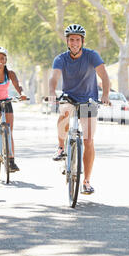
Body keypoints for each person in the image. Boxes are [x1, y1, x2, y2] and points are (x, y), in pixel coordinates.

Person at [48, 24, 111, 194]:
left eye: (77, 39)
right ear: (67, 42)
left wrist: (105, 95)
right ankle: (61, 147)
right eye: (71, 40)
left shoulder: (92, 56)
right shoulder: (60, 59)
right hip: (69, 96)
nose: (74, 42)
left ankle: (87, 181)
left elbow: (104, 76)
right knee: (65, 110)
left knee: (88, 140)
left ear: (82, 41)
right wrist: (52, 92)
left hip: (89, 99)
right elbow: (54, 78)